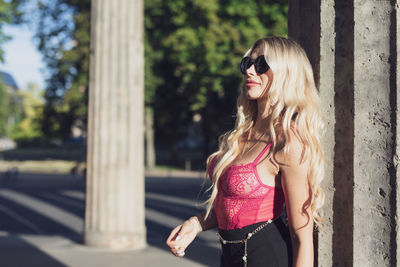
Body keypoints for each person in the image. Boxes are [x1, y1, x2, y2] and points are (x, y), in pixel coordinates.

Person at [166, 36, 325, 267]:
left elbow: (302, 238)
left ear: (286, 73)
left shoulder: (289, 142)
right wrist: (196, 223)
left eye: (261, 64)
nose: (250, 70)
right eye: (246, 63)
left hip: (269, 257)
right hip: (230, 258)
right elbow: (235, 205)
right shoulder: (242, 134)